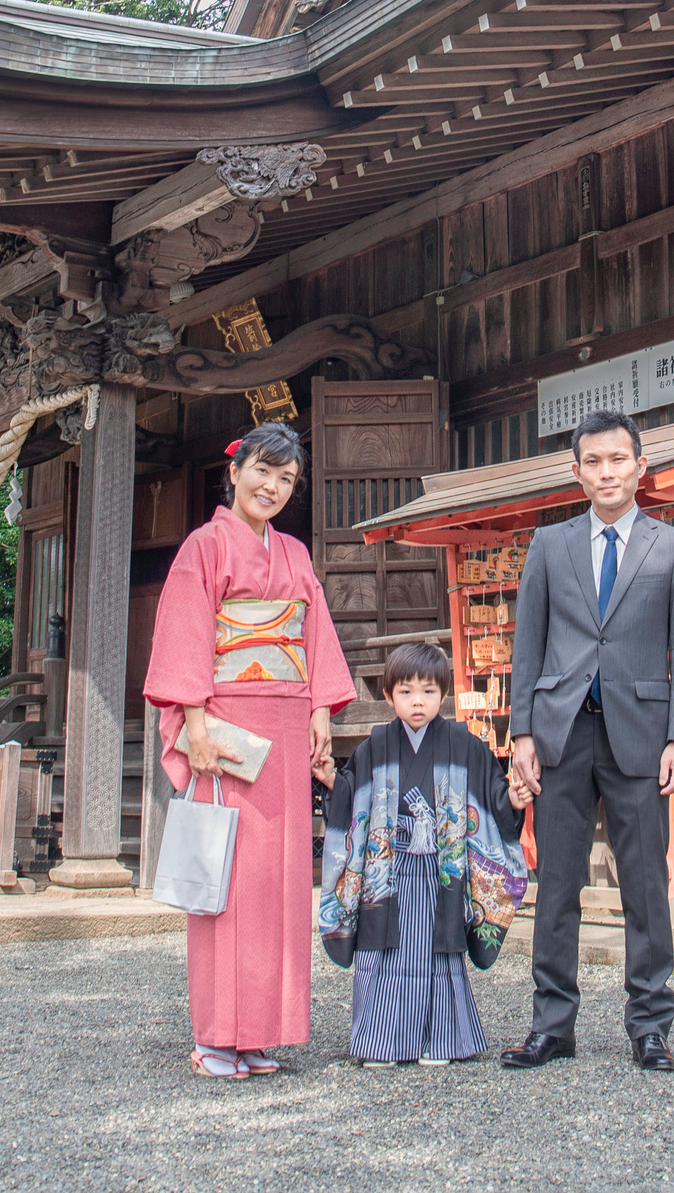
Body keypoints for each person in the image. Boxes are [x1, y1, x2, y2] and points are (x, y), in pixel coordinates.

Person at [140, 422, 356, 1080]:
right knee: (228, 880)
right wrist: (195, 721)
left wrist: (320, 710)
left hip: (288, 726)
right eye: (264, 470)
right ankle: (215, 1037)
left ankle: (259, 1032)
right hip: (228, 724)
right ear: (234, 472)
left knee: (281, 879)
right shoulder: (203, 547)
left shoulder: (294, 553)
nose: (272, 486)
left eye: (286, 479)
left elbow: (314, 633)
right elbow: (186, 631)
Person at [502, 408, 674, 1074]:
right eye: (594, 460)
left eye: (619, 459)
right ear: (577, 471)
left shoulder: (673, 548)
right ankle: (552, 1023)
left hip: (641, 732)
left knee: (645, 881)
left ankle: (649, 1023)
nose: (607, 471)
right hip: (561, 730)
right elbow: (526, 642)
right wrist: (522, 729)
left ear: (640, 467)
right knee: (556, 883)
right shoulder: (549, 546)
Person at [320, 641, 530, 1067]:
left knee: (438, 951)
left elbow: (490, 799)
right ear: (388, 694)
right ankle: (381, 1044)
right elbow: (351, 800)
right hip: (386, 872)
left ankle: (441, 1041)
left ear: (444, 694)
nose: (418, 702)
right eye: (406, 691)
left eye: (429, 692)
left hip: (442, 872)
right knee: (383, 954)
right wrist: (331, 784)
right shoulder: (375, 745)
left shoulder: (463, 743)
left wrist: (510, 798)